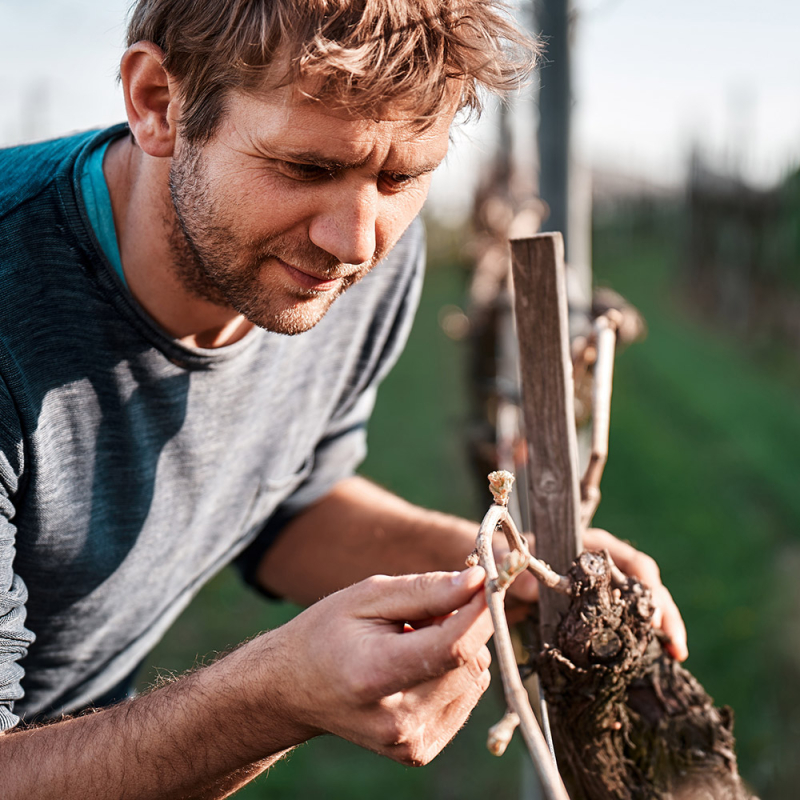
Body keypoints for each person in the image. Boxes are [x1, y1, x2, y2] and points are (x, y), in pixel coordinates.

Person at [0, 1, 687, 797]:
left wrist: (504, 568)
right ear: (159, 101)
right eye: (307, 168)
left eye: (402, 177)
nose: (356, 243)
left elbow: (287, 505)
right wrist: (270, 696)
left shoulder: (358, 259)